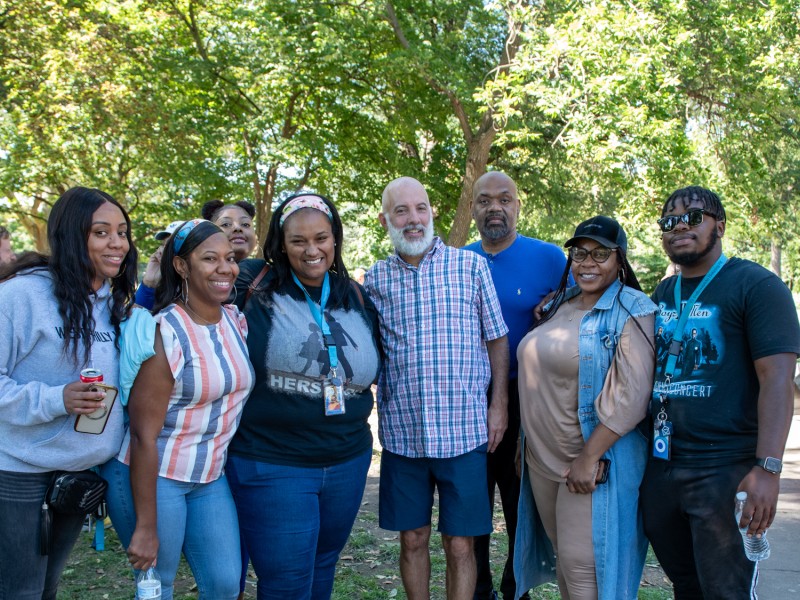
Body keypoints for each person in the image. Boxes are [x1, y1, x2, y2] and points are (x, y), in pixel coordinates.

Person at [640, 186, 800, 599]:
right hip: (663, 467)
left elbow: (777, 380)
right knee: (687, 588)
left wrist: (768, 468)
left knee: (726, 592)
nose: (679, 227)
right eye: (669, 221)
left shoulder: (756, 285)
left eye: (693, 217)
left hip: (725, 468)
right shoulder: (663, 294)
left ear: (720, 226)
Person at [227, 192, 381, 599]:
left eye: (321, 238)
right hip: (273, 461)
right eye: (298, 241)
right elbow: (189, 297)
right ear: (281, 244)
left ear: (336, 240)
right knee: (287, 582)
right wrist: (150, 289)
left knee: (322, 565)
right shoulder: (251, 282)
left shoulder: (356, 295)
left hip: (347, 459)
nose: (312, 250)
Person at [364, 177, 510, 600]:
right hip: (403, 434)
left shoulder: (470, 266)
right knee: (412, 538)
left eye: (421, 208)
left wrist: (498, 403)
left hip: (463, 432)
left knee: (460, 542)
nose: (414, 219)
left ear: (432, 213)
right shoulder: (375, 280)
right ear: (385, 219)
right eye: (402, 211)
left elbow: (497, 337)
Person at [102, 219, 254, 600]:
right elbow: (142, 434)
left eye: (230, 258)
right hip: (157, 475)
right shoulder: (164, 331)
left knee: (223, 583)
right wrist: (146, 525)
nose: (225, 268)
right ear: (182, 266)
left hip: (209, 477)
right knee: (159, 584)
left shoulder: (236, 321)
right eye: (209, 259)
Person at [0, 187, 138, 599]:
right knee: (19, 590)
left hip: (77, 472)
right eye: (101, 232)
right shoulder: (21, 296)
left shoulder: (111, 303)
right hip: (18, 471)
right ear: (71, 236)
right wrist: (56, 399)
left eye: (122, 232)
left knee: (46, 587)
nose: (117, 243)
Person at [514, 215, 656, 599]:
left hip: (591, 462)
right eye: (579, 253)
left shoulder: (632, 308)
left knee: (582, 572)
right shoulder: (561, 302)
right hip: (542, 460)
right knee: (567, 563)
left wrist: (587, 459)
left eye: (600, 254)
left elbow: (632, 397)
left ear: (619, 259)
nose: (587, 262)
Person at [463, 171, 568, 600]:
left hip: (529, 402)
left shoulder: (550, 260)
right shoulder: (459, 261)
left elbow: (581, 310)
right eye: (485, 200)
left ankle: (515, 588)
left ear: (518, 205)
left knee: (519, 502)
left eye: (504, 199)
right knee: (472, 504)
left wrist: (556, 309)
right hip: (468, 401)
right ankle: (479, 588)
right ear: (473, 209)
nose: (495, 208)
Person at [135, 200, 257, 308]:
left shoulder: (264, 274)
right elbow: (138, 323)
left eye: (245, 224)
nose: (237, 228)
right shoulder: (172, 308)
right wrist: (149, 285)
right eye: (226, 224)